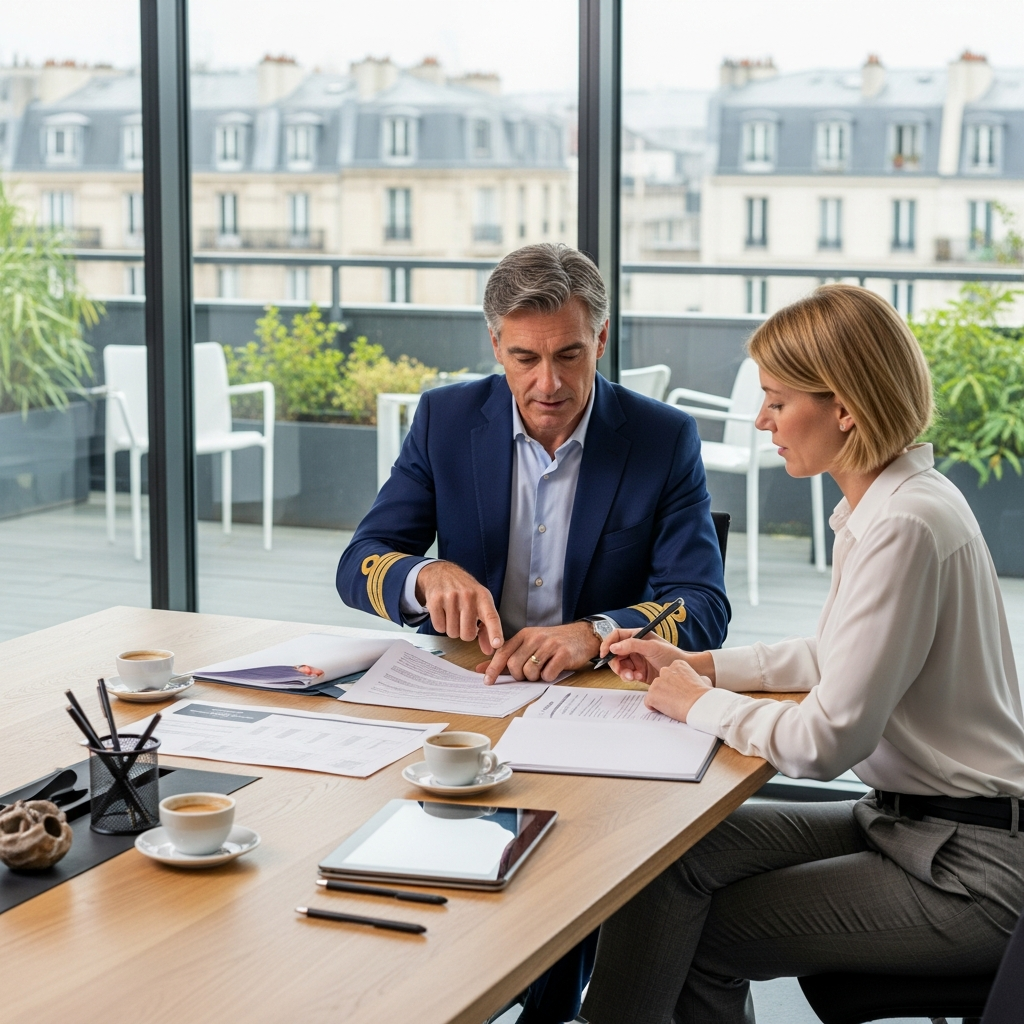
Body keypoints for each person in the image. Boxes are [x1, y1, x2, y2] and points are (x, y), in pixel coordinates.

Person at [579, 283, 1024, 1024]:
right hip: (913, 824)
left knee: (710, 934)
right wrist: (701, 667)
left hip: (969, 867)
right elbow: (835, 655)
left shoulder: (903, 525)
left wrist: (699, 704)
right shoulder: (896, 502)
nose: (762, 421)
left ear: (844, 407)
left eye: (778, 401)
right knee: (664, 861)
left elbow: (826, 742)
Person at [336, 242, 730, 1023]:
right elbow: (360, 562)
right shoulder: (446, 419)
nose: (547, 383)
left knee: (568, 880)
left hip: (599, 712)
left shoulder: (662, 437)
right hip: (469, 703)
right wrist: (423, 576)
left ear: (603, 339)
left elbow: (703, 603)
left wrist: (595, 631)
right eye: (525, 358)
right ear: (494, 346)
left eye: (569, 356)